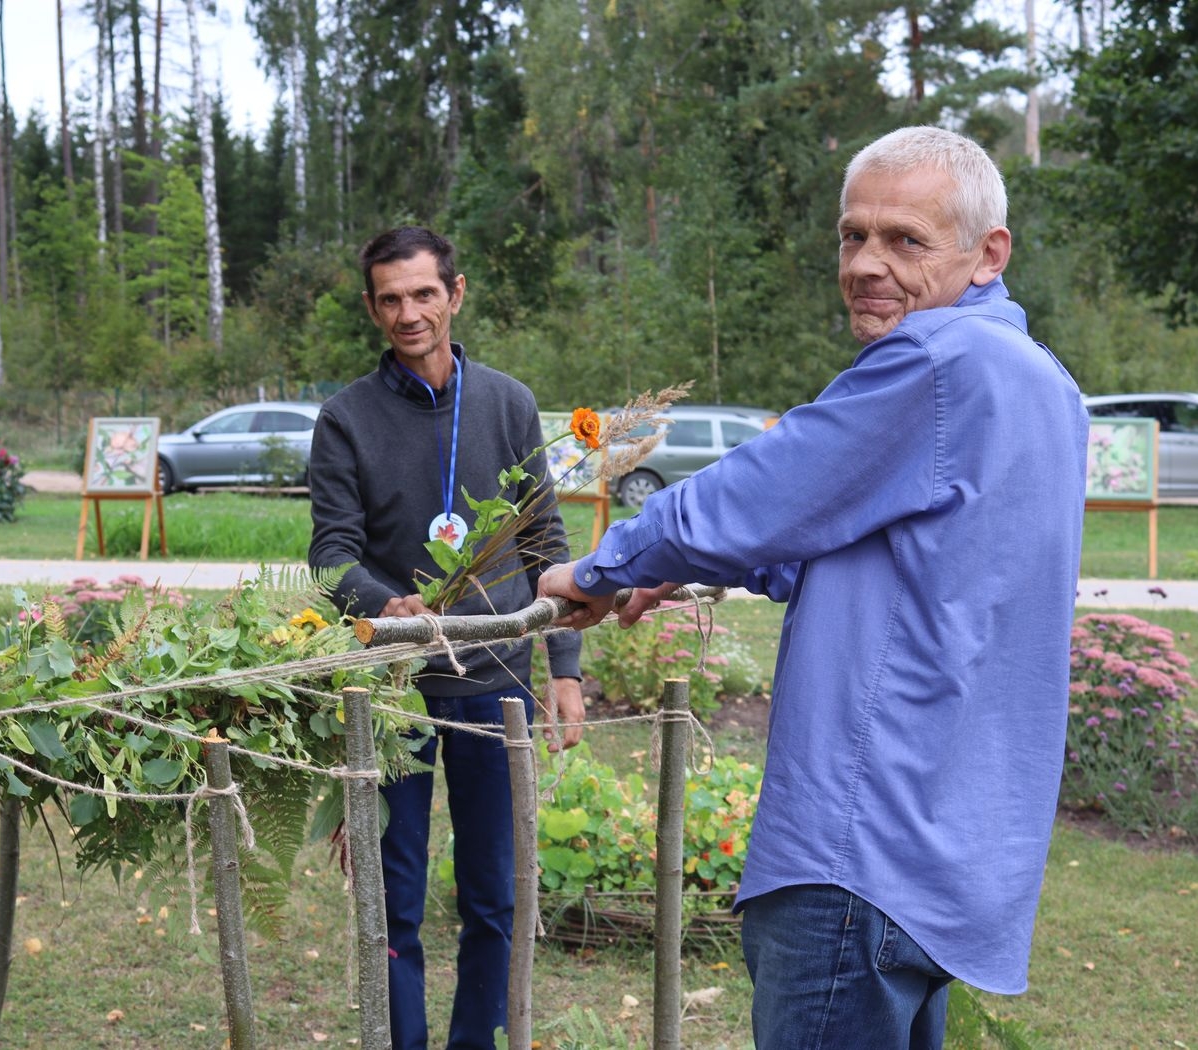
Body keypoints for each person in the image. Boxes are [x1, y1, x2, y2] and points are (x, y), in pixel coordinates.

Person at [538, 126, 1088, 1049]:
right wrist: (692, 561)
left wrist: (601, 567)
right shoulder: (1043, 384)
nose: (866, 264)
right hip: (946, 849)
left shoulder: (936, 362)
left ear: (987, 253)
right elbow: (885, 551)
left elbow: (760, 488)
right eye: (851, 236)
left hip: (858, 853)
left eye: (904, 240)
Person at [308, 225, 586, 1050]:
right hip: (390, 687)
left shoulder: (506, 402)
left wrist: (563, 668)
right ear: (371, 308)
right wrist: (380, 602)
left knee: (493, 894)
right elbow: (330, 554)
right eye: (389, 299)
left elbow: (546, 547)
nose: (408, 313)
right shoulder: (344, 419)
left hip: (495, 680)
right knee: (391, 897)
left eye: (423, 294)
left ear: (455, 294)